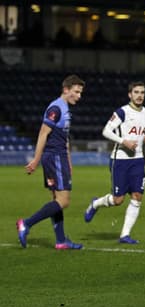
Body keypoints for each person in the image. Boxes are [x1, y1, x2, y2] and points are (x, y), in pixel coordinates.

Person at [18, 74, 85, 249]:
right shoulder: (56, 108)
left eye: (80, 93)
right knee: (64, 200)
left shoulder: (65, 108)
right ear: (66, 90)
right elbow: (43, 133)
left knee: (56, 199)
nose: (79, 96)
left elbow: (65, 137)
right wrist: (36, 160)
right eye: (76, 92)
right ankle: (26, 223)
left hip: (59, 156)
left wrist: (68, 160)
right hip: (54, 156)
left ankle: (61, 240)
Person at [83, 81, 145, 244]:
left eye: (142, 92)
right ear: (129, 94)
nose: (139, 95)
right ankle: (95, 204)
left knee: (137, 196)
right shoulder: (122, 112)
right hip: (120, 160)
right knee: (118, 200)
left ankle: (125, 235)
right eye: (136, 92)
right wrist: (124, 142)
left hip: (137, 160)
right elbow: (106, 131)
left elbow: (136, 133)